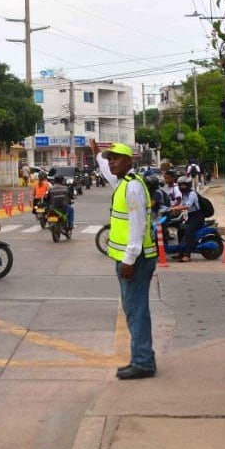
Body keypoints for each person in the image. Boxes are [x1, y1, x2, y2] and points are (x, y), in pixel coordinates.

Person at [91, 139, 158, 380]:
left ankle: (142, 362)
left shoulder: (132, 188)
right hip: (130, 258)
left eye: (116, 158)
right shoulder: (123, 183)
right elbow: (107, 173)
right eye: (109, 159)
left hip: (135, 260)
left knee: (136, 310)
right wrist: (97, 155)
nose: (111, 163)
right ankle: (143, 358)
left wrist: (129, 259)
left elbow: (137, 226)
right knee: (133, 308)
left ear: (129, 161)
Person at [170, 175, 204, 262]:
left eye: (184, 185)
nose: (182, 187)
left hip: (198, 217)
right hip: (190, 217)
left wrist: (175, 208)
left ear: (188, 185)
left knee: (188, 231)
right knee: (180, 229)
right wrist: (170, 207)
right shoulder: (184, 194)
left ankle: (188, 256)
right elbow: (180, 204)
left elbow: (187, 206)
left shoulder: (192, 194)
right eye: (180, 185)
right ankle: (181, 252)